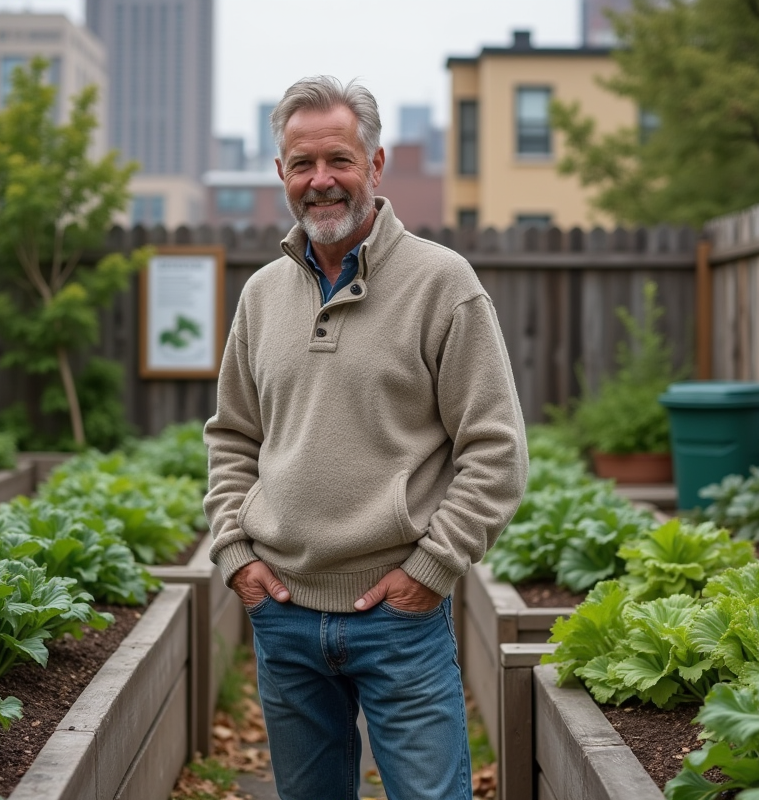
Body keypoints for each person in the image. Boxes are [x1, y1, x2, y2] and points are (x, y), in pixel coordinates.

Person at [203, 75, 529, 800]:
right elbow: (231, 439)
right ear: (281, 174)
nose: (321, 181)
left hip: (398, 621)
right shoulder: (261, 296)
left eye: (340, 160)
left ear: (375, 166)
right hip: (282, 616)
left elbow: (496, 451)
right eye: (302, 164)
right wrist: (236, 557)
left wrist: (430, 571)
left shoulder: (444, 285)